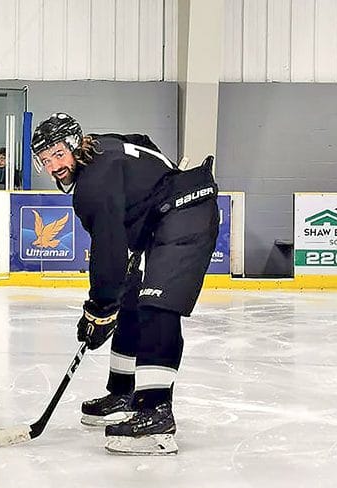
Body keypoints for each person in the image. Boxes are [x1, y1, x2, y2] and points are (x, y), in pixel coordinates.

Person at [31, 112, 219, 455]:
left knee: (156, 304)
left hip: (186, 213)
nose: (54, 165)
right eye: (46, 159)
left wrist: (99, 308)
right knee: (131, 299)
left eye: (59, 154)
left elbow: (108, 249)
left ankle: (156, 411)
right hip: (163, 212)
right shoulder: (101, 144)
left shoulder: (91, 186)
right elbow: (143, 140)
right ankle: (123, 393)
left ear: (74, 145)